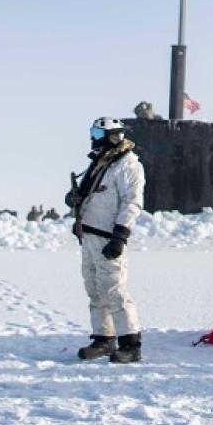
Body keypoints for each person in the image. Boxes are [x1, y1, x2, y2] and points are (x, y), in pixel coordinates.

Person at [66, 115, 146, 363]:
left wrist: (120, 236)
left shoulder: (128, 166)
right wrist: (74, 199)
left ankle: (131, 343)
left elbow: (132, 203)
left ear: (114, 136)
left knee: (114, 290)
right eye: (93, 133)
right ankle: (103, 338)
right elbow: (93, 193)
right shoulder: (101, 163)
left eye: (99, 135)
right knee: (95, 289)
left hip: (108, 237)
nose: (94, 139)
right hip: (89, 234)